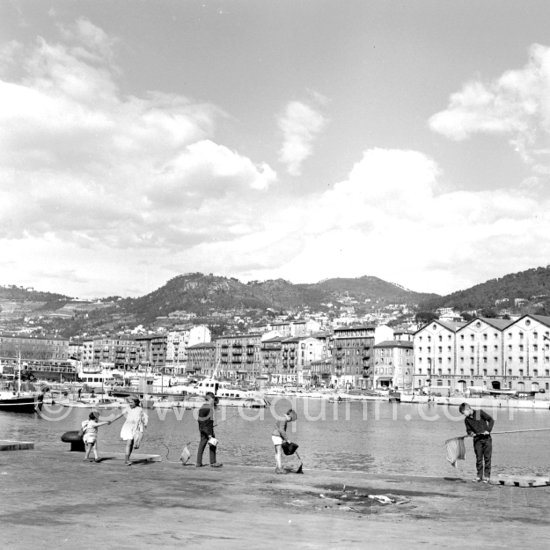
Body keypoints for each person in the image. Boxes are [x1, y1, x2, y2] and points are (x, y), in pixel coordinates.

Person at [459, 402, 494, 482]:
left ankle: (487, 477)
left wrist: (488, 430)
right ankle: (479, 476)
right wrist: (471, 433)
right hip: (477, 440)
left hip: (486, 439)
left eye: (463, 413)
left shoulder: (479, 413)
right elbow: (468, 430)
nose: (464, 415)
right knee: (479, 459)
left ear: (468, 409)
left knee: (487, 458)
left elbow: (491, 420)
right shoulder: (467, 420)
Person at [111, 396, 148, 465]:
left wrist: (144, 424)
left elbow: (142, 418)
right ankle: (126, 460)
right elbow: (120, 415)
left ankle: (127, 459)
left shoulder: (140, 409)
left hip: (135, 428)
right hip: (128, 427)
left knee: (131, 445)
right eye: (129, 403)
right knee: (129, 443)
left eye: (131, 402)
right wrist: (112, 420)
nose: (130, 404)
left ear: (136, 402)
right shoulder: (128, 408)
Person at [196, 392, 222, 468]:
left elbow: (201, 420)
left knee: (202, 445)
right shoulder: (209, 408)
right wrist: (210, 435)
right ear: (210, 399)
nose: (214, 401)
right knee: (213, 445)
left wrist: (203, 429)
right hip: (208, 429)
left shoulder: (202, 407)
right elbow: (208, 422)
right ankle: (213, 462)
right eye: (213, 399)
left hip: (202, 428)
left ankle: (198, 462)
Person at [272, 409, 298, 474]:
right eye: (291, 419)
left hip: (275, 436)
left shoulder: (282, 418)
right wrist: (287, 439)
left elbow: (278, 428)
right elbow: (282, 430)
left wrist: (283, 439)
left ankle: (277, 467)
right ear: (289, 416)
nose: (290, 421)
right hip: (277, 436)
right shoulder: (283, 419)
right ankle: (280, 468)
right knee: (279, 453)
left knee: (277, 452)